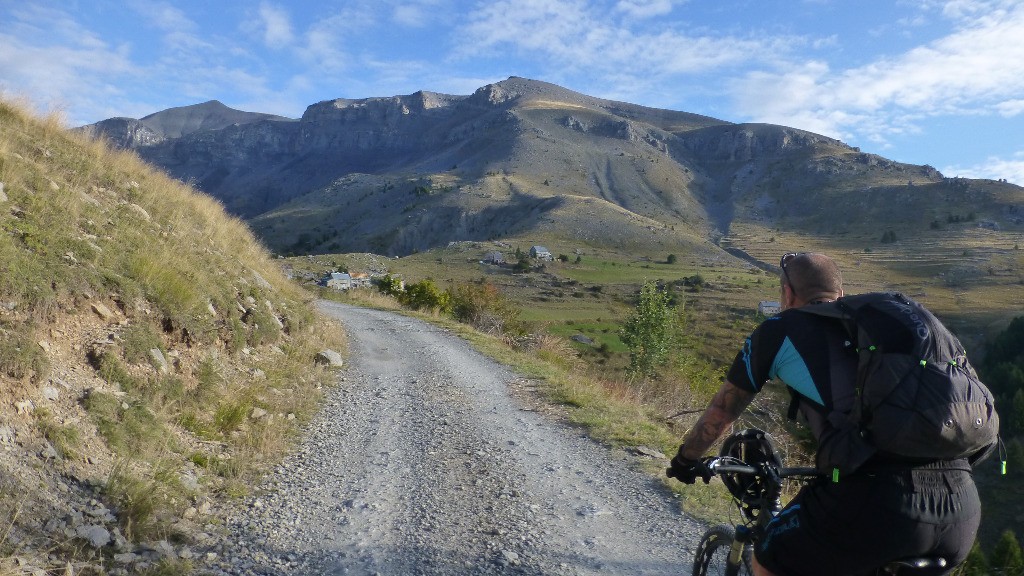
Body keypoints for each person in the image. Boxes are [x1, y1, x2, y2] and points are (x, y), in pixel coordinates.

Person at [666, 252, 981, 576]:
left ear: (787, 293)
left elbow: (722, 411)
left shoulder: (778, 330)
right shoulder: (875, 331)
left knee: (767, 556)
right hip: (961, 510)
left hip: (874, 503)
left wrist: (685, 460)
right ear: (840, 296)